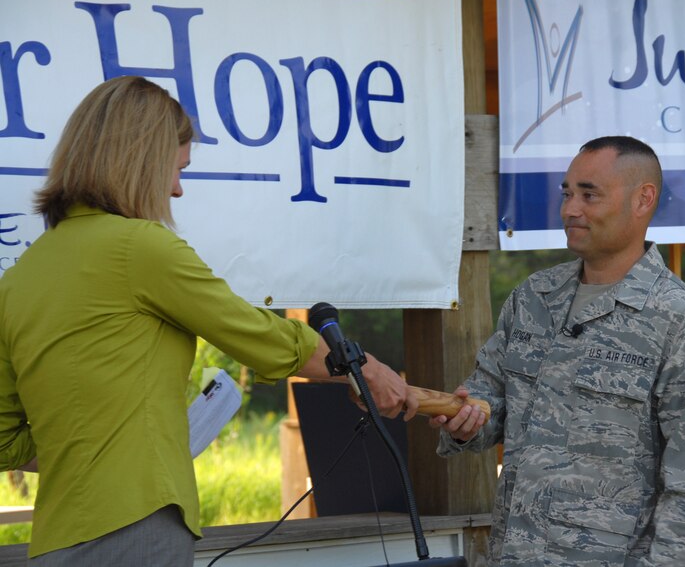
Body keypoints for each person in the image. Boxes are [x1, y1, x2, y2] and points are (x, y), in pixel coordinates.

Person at [0, 75, 418, 565]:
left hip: (53, 540)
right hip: (134, 527)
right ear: (138, 164)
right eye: (175, 170)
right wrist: (365, 368)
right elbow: (258, 334)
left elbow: (6, 442)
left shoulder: (21, 276)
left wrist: (102, 446)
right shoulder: (140, 248)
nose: (176, 190)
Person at [431, 136, 685, 566]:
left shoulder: (679, 320)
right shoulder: (534, 298)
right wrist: (464, 420)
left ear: (643, 199)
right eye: (568, 193)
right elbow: (489, 399)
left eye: (589, 194)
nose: (571, 209)